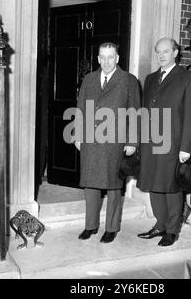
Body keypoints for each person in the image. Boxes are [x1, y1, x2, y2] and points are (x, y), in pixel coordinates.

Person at [137, 37, 191, 247]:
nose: (161, 55)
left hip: (173, 144)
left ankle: (172, 230)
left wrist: (186, 148)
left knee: (172, 187)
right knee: (154, 185)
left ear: (175, 53)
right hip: (151, 142)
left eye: (166, 51)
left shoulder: (188, 79)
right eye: (158, 52)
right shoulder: (149, 79)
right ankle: (160, 224)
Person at [75, 42, 141, 243]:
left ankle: (111, 228)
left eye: (110, 57)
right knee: (90, 185)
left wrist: (132, 142)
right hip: (90, 141)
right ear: (97, 59)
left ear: (117, 58)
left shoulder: (129, 80)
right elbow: (81, 109)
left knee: (114, 186)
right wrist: (78, 135)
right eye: (102, 57)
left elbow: (135, 113)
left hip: (115, 143)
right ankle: (91, 226)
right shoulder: (89, 79)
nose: (106, 61)